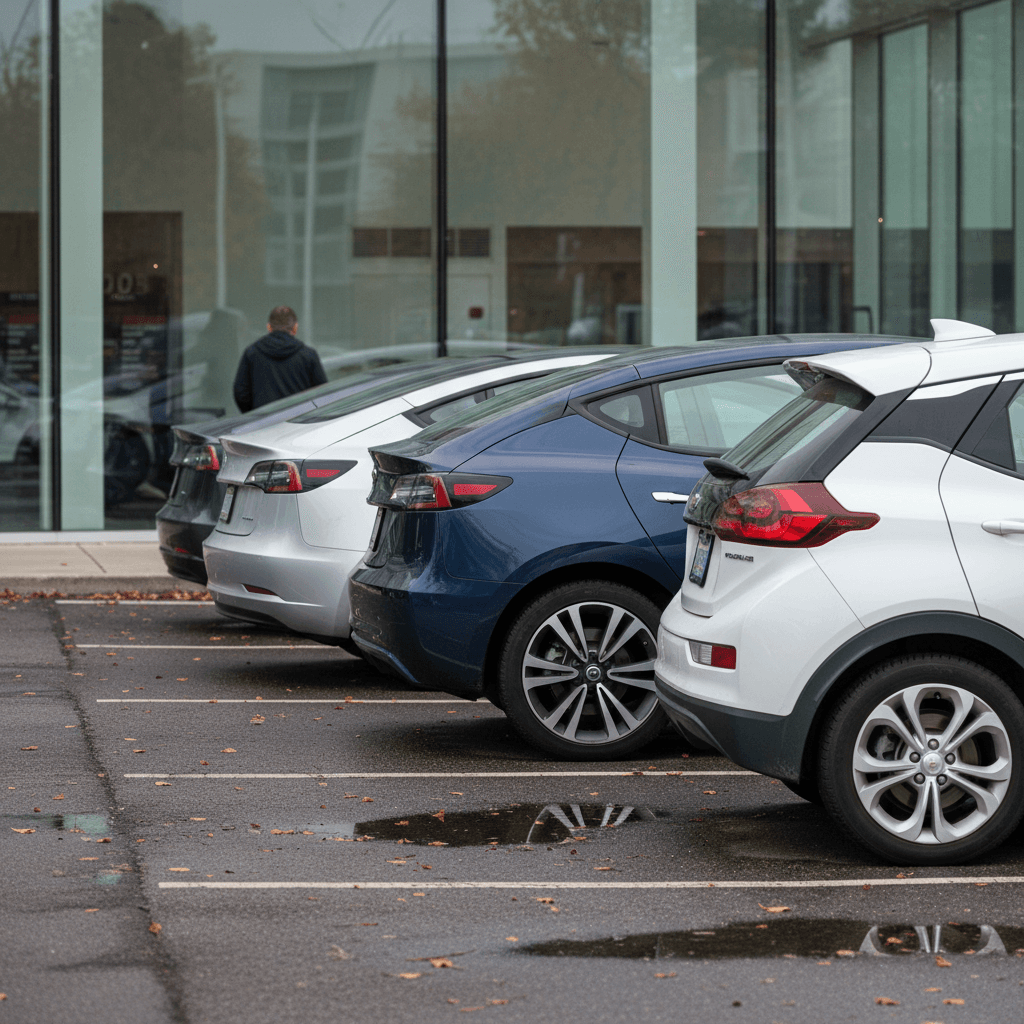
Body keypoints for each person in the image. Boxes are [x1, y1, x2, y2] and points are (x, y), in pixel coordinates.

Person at [232, 306, 327, 413]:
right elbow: (322, 392)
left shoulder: (252, 353)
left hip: (262, 423)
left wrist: (254, 414)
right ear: (295, 328)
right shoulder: (308, 355)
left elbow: (241, 393)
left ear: (269, 327)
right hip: (299, 424)